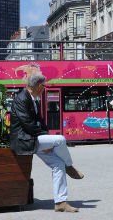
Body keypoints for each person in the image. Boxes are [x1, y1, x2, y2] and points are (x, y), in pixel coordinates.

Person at [10, 73, 84, 212]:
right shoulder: (21, 99)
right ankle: (69, 166)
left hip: (34, 138)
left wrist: (47, 141)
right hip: (25, 140)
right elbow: (27, 124)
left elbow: (40, 122)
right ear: (39, 86)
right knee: (60, 139)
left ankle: (60, 203)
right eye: (44, 86)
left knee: (58, 164)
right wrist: (46, 138)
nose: (45, 88)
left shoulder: (33, 99)